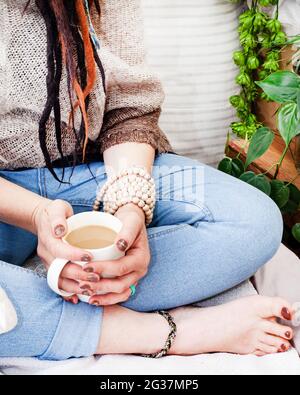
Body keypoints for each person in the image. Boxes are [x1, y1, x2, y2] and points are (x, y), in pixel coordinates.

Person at [0, 0, 294, 360]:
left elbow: (130, 108)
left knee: (252, 221)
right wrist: (35, 215)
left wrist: (130, 202)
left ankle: (30, 299)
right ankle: (161, 331)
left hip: (90, 172)